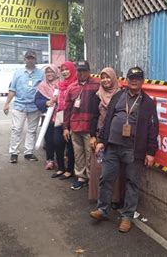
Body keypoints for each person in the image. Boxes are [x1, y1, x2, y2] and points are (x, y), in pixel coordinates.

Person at [90, 67, 159, 233]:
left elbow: (153, 128)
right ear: (126, 80)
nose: (134, 80)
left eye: (137, 78)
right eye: (131, 78)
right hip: (112, 145)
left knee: (132, 183)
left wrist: (151, 152)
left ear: (142, 81)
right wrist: (101, 141)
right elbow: (107, 120)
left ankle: (127, 217)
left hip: (134, 150)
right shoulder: (118, 96)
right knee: (106, 178)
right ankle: (103, 210)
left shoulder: (148, 103)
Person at [89, 67, 124, 205]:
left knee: (114, 168)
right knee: (98, 167)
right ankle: (99, 198)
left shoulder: (122, 95)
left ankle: (114, 198)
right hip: (99, 135)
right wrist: (92, 136)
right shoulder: (97, 95)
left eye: (108, 77)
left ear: (114, 78)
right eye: (102, 77)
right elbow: (93, 116)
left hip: (115, 137)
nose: (105, 80)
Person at [63, 60, 99, 190]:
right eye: (79, 71)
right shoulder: (72, 88)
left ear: (89, 71)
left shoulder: (97, 85)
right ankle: (80, 177)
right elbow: (67, 109)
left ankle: (91, 179)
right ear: (76, 72)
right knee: (78, 154)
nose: (82, 73)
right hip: (75, 127)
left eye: (84, 70)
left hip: (90, 128)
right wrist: (65, 128)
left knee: (90, 154)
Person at [4, 50, 44, 163]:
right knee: (16, 129)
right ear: (24, 59)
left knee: (32, 130)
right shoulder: (18, 73)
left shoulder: (41, 74)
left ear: (35, 59)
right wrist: (7, 103)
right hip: (19, 105)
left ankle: (28, 153)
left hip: (34, 107)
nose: (30, 60)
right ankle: (14, 153)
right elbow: (13, 89)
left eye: (32, 58)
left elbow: (44, 89)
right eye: (28, 58)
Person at [51, 61, 77, 180]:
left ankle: (69, 170)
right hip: (60, 115)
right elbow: (56, 100)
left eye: (67, 69)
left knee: (70, 144)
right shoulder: (60, 85)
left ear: (72, 70)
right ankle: (61, 168)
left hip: (71, 117)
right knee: (57, 142)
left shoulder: (77, 84)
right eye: (63, 70)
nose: (65, 72)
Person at [34, 64, 60, 170]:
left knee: (58, 140)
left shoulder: (61, 84)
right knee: (49, 139)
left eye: (51, 72)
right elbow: (37, 100)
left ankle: (60, 160)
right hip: (48, 118)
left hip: (60, 117)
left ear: (56, 73)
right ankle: (50, 160)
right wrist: (46, 102)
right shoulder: (42, 85)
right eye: (47, 72)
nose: (49, 74)